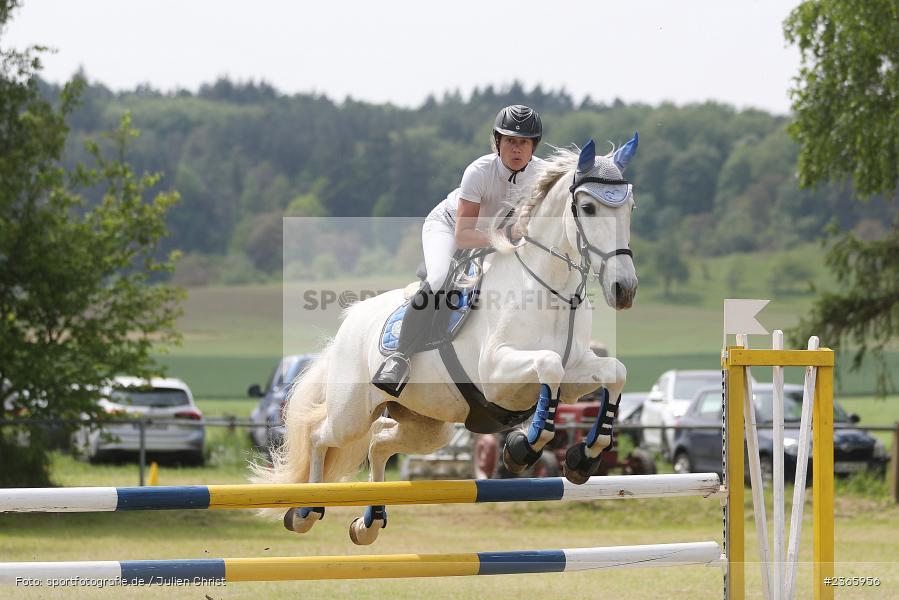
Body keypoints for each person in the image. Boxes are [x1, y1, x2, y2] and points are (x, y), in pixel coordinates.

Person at [372, 104, 545, 397]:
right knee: (439, 279)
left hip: (500, 236)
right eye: (510, 141)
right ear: (497, 142)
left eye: (524, 142)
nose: (517, 149)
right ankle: (398, 358)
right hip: (450, 228)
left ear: (533, 147)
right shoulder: (479, 171)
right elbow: (464, 237)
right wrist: (507, 235)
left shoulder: (541, 174)